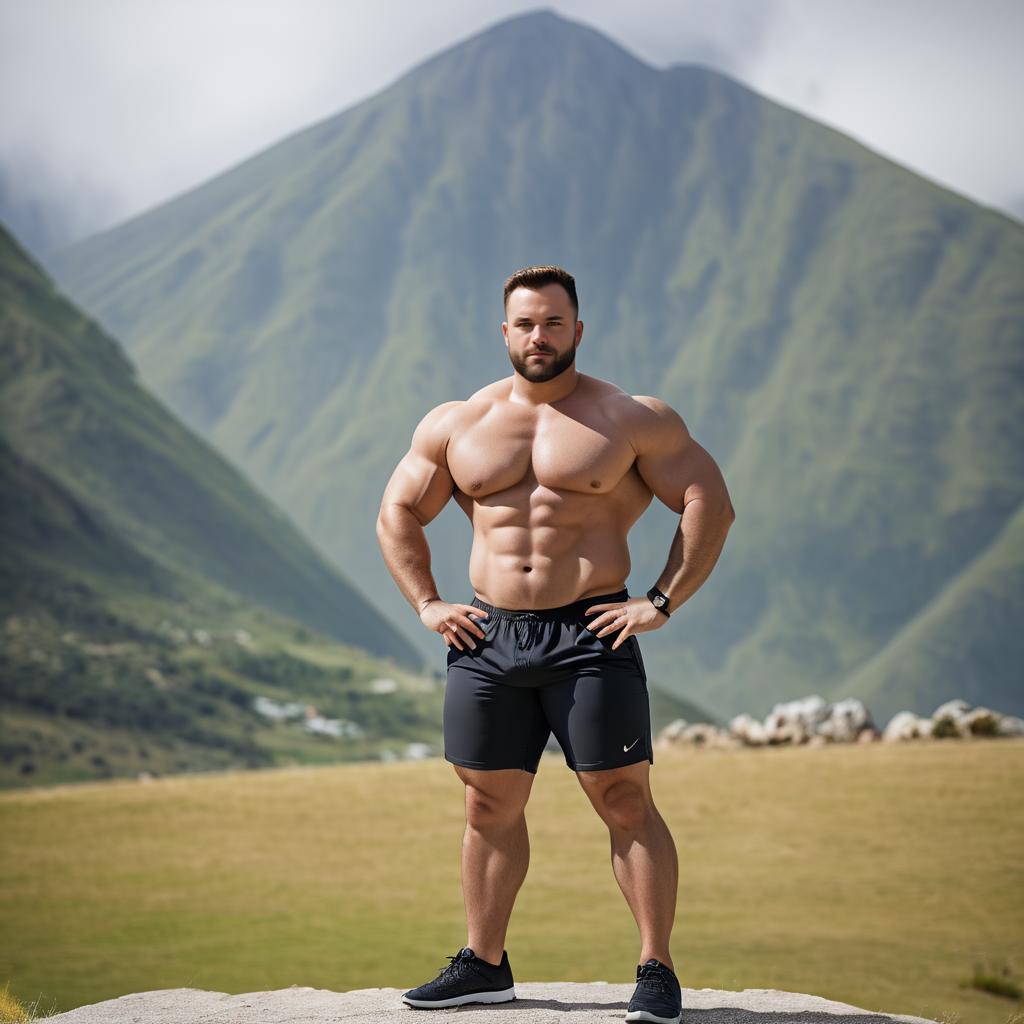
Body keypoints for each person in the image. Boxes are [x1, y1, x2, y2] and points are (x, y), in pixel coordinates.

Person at [376, 265, 735, 1024]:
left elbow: (708, 499)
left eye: (554, 323)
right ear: (504, 332)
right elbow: (399, 510)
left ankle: (656, 970)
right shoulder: (457, 422)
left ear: (578, 329)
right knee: (485, 805)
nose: (539, 337)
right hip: (487, 633)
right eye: (526, 324)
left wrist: (662, 602)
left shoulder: (630, 418)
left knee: (624, 798)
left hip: (591, 629)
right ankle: (484, 964)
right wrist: (428, 603)